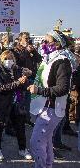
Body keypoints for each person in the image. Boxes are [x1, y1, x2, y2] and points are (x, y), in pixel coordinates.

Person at [28, 30, 72, 168]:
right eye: (43, 41)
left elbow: (62, 88)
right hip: (44, 106)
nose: (43, 44)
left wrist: (39, 90)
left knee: (36, 143)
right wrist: (31, 74)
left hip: (52, 108)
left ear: (57, 44)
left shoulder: (62, 62)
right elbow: (46, 79)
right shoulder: (49, 58)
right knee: (45, 141)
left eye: (47, 41)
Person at [0, 50, 32, 160]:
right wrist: (18, 82)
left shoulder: (17, 69)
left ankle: (23, 149)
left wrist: (25, 79)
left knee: (20, 128)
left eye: (11, 58)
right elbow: (0, 87)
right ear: (1, 60)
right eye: (6, 59)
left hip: (16, 103)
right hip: (1, 104)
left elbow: (24, 86)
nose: (9, 61)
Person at [13, 32, 42, 126]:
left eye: (29, 38)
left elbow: (39, 59)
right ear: (20, 40)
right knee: (19, 100)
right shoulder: (16, 50)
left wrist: (33, 51)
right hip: (20, 81)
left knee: (28, 101)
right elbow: (18, 63)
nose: (28, 40)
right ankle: (18, 120)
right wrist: (26, 51)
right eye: (26, 38)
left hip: (30, 79)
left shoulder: (30, 50)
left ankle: (26, 118)